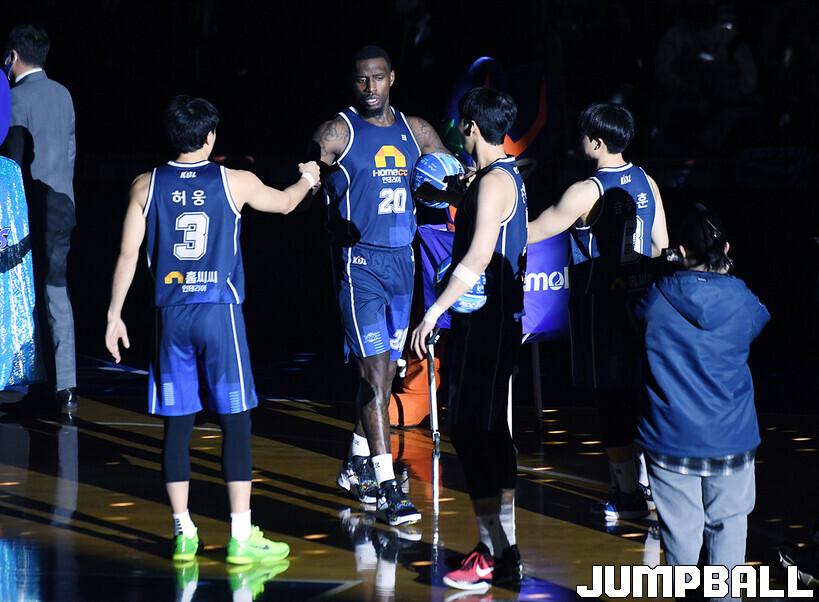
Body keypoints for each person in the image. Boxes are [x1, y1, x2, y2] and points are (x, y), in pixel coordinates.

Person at [105, 95, 320, 564]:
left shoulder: (145, 184)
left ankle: (183, 533)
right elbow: (286, 204)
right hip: (218, 312)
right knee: (235, 422)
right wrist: (308, 177)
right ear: (210, 137)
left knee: (177, 425)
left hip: (169, 315)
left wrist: (113, 315)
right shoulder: (233, 180)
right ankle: (241, 537)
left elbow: (127, 254)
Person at [311, 45, 449, 526]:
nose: (370, 88)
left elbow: (452, 177)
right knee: (374, 376)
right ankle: (389, 486)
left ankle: (354, 464)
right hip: (361, 266)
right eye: (361, 79)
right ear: (353, 83)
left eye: (378, 78)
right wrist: (322, 200)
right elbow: (307, 174)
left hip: (402, 266)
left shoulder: (417, 131)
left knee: (385, 376)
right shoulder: (338, 131)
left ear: (392, 78)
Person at [527, 103, 668, 519]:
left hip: (601, 307)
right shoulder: (647, 181)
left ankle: (627, 493)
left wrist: (489, 213)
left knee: (612, 402)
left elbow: (535, 231)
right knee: (641, 398)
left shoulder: (586, 191)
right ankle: (647, 487)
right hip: (644, 306)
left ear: (597, 142)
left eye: (583, 134)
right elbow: (660, 246)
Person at [411, 87, 527, 591]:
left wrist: (433, 312)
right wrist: (454, 191)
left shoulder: (495, 182)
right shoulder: (495, 177)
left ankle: (494, 552)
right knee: (486, 431)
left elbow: (479, 256)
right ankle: (501, 547)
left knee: (473, 429)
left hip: (488, 325)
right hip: (490, 324)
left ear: (470, 128)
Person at [634, 205, 769, 600]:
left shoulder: (656, 299)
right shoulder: (743, 300)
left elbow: (634, 319)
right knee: (729, 528)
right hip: (732, 437)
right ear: (726, 249)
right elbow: (758, 322)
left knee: (681, 537)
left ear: (679, 251)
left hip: (671, 438)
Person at [2, 25, 78, 412]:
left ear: (12, 57)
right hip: (63, 202)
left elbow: (11, 163)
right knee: (56, 289)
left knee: (21, 292)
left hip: (29, 206)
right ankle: (66, 385)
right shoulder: (63, 94)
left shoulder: (15, 98)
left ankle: (26, 380)